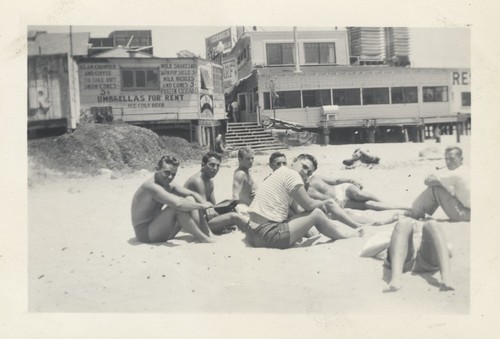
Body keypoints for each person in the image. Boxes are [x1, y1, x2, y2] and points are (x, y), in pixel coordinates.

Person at [246, 154, 364, 249]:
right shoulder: (292, 175)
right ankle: (346, 235)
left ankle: (354, 226)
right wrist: (326, 203)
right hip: (267, 234)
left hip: (251, 233)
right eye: (304, 167)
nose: (305, 172)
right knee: (317, 213)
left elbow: (299, 210)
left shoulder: (279, 173)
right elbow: (309, 205)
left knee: (315, 225)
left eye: (309, 172)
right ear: (295, 161)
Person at [131, 156, 215, 244]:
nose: (170, 177)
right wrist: (202, 206)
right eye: (167, 172)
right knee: (176, 208)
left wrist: (206, 204)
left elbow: (192, 194)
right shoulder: (150, 186)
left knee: (190, 199)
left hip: (160, 228)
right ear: (157, 169)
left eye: (173, 174)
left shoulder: (167, 184)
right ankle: (202, 238)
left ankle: (205, 234)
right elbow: (178, 204)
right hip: (145, 233)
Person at [184, 152, 249, 234]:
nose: (215, 168)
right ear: (203, 165)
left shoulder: (209, 181)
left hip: (203, 218)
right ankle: (256, 231)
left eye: (218, 166)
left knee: (238, 209)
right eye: (212, 165)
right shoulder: (197, 181)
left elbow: (213, 206)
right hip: (196, 223)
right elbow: (206, 210)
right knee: (234, 216)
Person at [383, 219, 454, 292]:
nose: (413, 222)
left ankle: (446, 278)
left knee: (432, 224)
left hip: (425, 258)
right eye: (411, 221)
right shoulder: (394, 232)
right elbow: (370, 249)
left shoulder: (428, 234)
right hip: (402, 259)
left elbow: (449, 251)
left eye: (414, 221)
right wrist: (391, 243)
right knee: (403, 223)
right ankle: (395, 279)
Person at [406, 146, 470, 222]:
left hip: (465, 215)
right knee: (444, 187)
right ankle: (417, 210)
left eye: (452, 159)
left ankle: (415, 213)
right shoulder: (467, 169)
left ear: (461, 159)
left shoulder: (456, 174)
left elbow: (428, 181)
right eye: (446, 159)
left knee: (436, 189)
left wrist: (430, 176)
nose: (448, 162)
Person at [307, 175, 409, 212]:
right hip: (339, 203)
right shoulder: (302, 193)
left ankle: (384, 202)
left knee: (359, 195)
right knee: (369, 205)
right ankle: (401, 208)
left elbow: (336, 181)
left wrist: (351, 180)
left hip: (341, 189)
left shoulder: (315, 178)